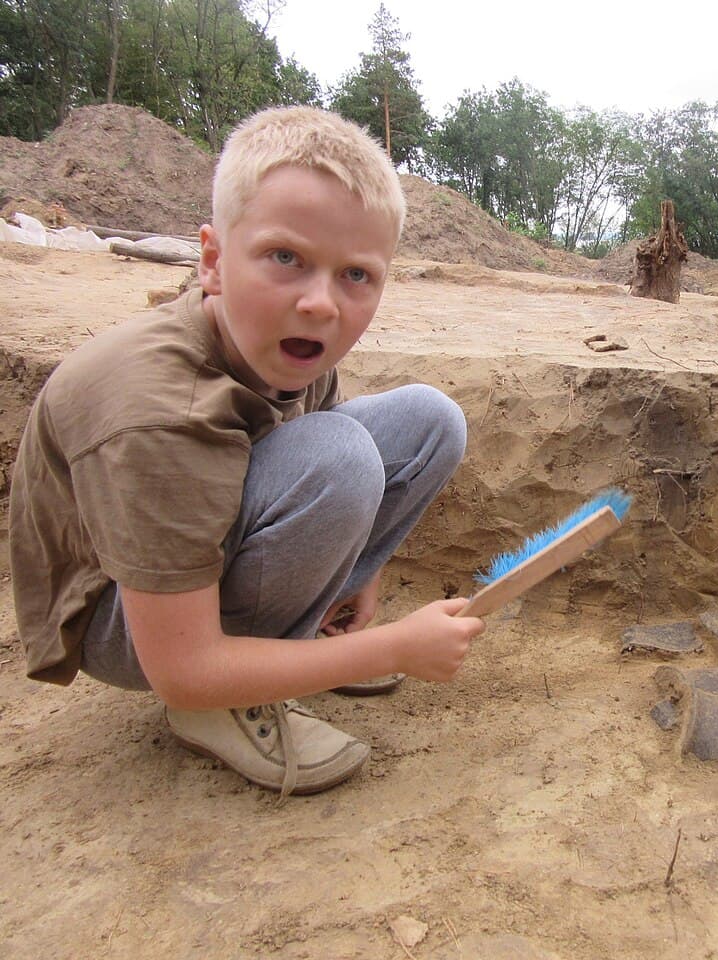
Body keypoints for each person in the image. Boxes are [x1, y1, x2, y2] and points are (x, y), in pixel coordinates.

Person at [9, 106, 485, 797]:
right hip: (123, 621)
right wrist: (390, 649)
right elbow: (181, 664)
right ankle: (225, 704)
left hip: (201, 536)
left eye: (357, 275)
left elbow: (315, 434)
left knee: (431, 420)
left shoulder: (288, 340)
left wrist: (357, 569)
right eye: (285, 258)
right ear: (211, 261)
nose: (321, 303)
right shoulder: (158, 414)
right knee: (342, 460)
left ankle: (296, 641)